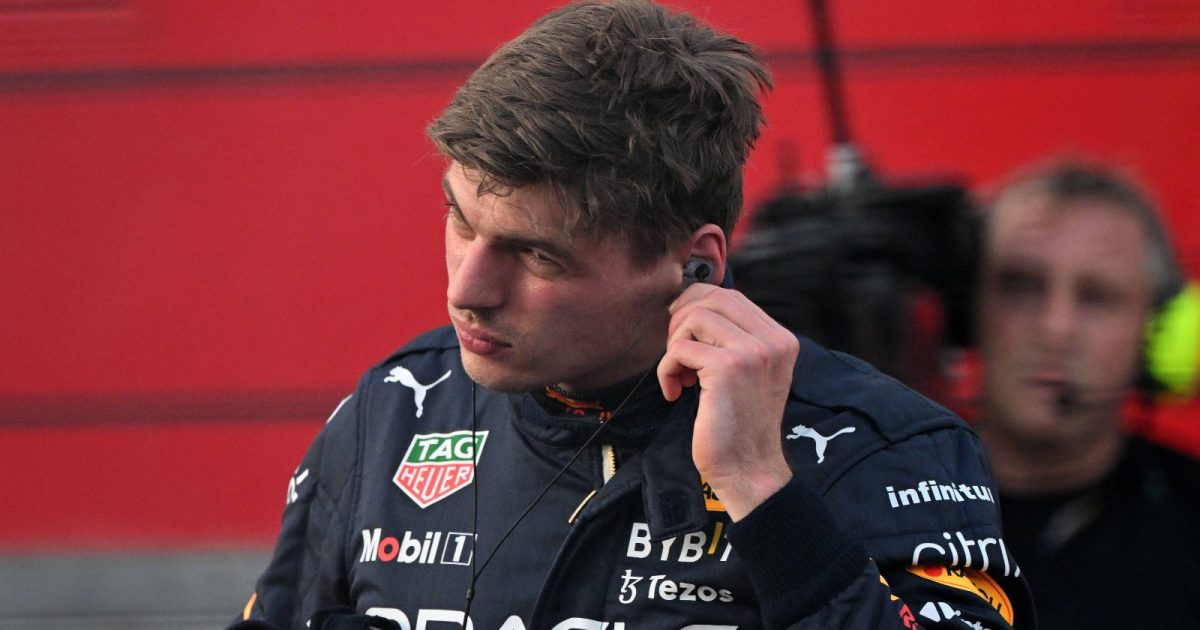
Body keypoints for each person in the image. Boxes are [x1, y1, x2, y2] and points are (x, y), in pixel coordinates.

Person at [232, 1, 1032, 628]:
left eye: (537, 255)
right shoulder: (393, 411)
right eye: (460, 221)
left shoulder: (888, 450)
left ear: (694, 265)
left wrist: (764, 494)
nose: (468, 290)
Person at [974, 159, 1200, 628]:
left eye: (1097, 296)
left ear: (1155, 335)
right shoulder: (867, 507)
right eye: (1022, 286)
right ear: (966, 311)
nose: (1055, 329)